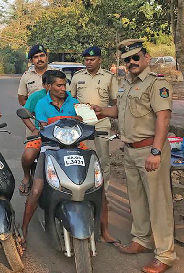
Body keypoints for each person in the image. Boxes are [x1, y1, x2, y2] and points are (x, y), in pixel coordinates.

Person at [92, 39, 176, 273]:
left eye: (135, 57)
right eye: (127, 59)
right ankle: (141, 240)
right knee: (137, 200)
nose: (131, 62)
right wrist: (100, 110)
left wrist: (156, 152)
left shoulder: (156, 84)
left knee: (158, 204)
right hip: (129, 150)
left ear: (146, 58)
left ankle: (165, 254)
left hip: (150, 150)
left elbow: (163, 119)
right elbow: (119, 111)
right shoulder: (126, 84)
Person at [21, 70, 82, 244]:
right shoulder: (41, 104)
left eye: (64, 85)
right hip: (49, 147)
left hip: (75, 147)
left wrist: (81, 120)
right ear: (48, 86)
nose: (63, 89)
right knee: (36, 190)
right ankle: (24, 227)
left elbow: (84, 122)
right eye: (59, 85)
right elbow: (44, 127)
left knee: (96, 185)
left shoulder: (75, 102)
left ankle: (104, 230)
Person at [70, 46, 119, 244]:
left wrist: (103, 111)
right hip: (80, 125)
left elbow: (116, 103)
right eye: (86, 59)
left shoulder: (109, 77)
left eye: (92, 59)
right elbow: (71, 99)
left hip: (101, 124)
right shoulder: (77, 77)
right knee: (78, 159)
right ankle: (79, 192)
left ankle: (102, 196)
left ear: (100, 59)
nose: (89, 62)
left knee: (103, 162)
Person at [18, 70, 52, 195]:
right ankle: (27, 177)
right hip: (42, 135)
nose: (60, 88)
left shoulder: (69, 98)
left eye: (62, 85)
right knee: (28, 156)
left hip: (63, 136)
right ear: (45, 85)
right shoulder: (37, 97)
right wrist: (33, 129)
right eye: (54, 84)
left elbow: (77, 113)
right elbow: (25, 113)